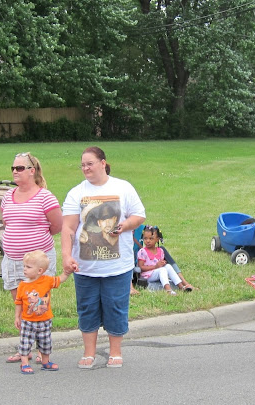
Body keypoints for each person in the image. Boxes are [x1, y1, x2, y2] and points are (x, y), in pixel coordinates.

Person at [62, 146, 146, 369]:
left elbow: (139, 216)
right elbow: (68, 228)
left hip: (118, 266)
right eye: (82, 165)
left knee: (116, 307)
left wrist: (125, 225)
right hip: (85, 267)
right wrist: (66, 256)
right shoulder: (76, 192)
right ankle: (89, 353)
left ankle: (115, 352)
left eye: (90, 163)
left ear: (102, 163)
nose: (85, 168)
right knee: (87, 308)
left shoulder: (123, 187)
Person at [2, 152, 62, 364]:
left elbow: (56, 226)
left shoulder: (45, 197)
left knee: (38, 306)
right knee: (21, 304)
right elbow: (8, 222)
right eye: (13, 168)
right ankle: (24, 348)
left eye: (19, 168)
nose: (15, 172)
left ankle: (41, 350)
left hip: (38, 262)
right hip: (12, 259)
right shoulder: (7, 196)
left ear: (32, 171)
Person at [14, 250, 73, 374]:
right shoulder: (22, 285)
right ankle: (24, 363)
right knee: (25, 342)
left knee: (45, 342)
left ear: (40, 271)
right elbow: (18, 303)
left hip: (45, 320)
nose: (25, 269)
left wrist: (67, 272)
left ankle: (45, 361)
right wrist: (17, 317)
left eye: (28, 267)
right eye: (24, 266)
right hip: (28, 321)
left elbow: (60, 279)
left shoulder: (47, 280)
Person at [137, 225, 193, 294]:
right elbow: (141, 267)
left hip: (157, 272)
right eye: (145, 238)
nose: (147, 241)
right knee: (162, 270)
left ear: (157, 239)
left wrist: (162, 264)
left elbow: (161, 265)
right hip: (147, 275)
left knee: (168, 266)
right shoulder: (142, 252)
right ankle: (168, 290)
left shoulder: (160, 251)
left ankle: (181, 286)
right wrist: (155, 267)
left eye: (151, 238)